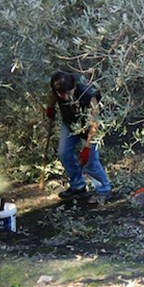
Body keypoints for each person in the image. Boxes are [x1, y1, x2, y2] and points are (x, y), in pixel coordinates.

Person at [45, 70, 111, 204]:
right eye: (60, 94)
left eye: (67, 93)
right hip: (69, 123)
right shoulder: (59, 87)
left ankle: (104, 191)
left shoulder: (88, 94)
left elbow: (95, 122)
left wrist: (87, 148)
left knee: (91, 162)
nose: (64, 97)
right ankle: (78, 185)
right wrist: (50, 108)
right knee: (64, 153)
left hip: (89, 129)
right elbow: (53, 95)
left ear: (74, 86)